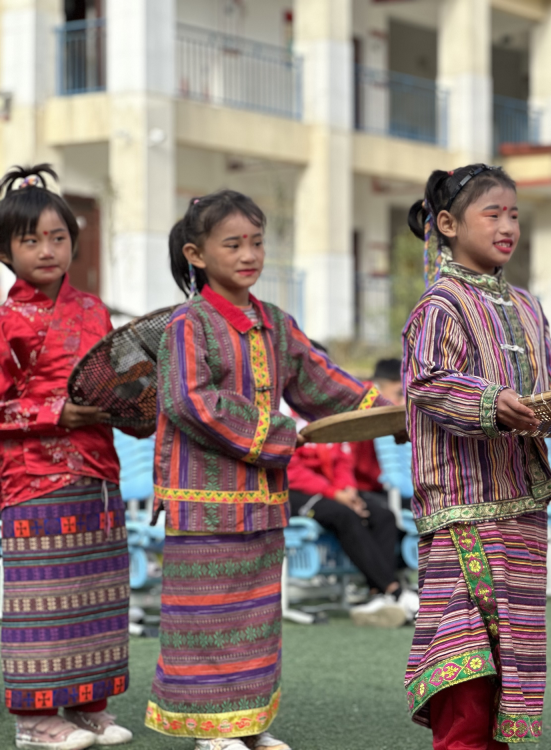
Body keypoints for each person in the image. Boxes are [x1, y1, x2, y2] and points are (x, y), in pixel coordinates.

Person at [147, 190, 392, 750]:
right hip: (204, 502)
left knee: (255, 617)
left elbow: (321, 382)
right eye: (232, 244)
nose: (248, 253)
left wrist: (380, 413)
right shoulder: (188, 325)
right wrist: (281, 434)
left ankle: (248, 724)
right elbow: (190, 401)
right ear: (197, 254)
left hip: (261, 499)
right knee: (208, 618)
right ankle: (211, 733)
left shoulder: (276, 323)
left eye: (256, 242)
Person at [402, 164, 551, 748]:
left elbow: (549, 382)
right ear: (447, 224)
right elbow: (429, 383)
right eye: (493, 213)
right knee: (464, 649)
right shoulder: (439, 305)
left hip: (522, 506)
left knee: (508, 648)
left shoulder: (528, 305)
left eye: (514, 214)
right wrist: (490, 400)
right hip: (463, 504)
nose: (508, 225)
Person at [0, 165, 140, 750]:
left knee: (97, 594)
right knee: (43, 595)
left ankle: (87, 707)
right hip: (33, 479)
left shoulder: (94, 309)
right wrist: (59, 413)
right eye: (30, 239)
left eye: (57, 237)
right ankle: (34, 722)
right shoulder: (5, 319)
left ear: (74, 243)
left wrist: (131, 398)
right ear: (6, 251)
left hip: (98, 472)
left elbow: (114, 383)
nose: (46, 249)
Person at [287, 423, 418, 627]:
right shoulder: (288, 416)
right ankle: (394, 590)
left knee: (383, 515)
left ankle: (377, 595)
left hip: (334, 491)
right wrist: (336, 495)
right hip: (295, 491)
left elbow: (344, 461)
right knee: (344, 515)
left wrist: (348, 492)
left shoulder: (332, 417)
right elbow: (293, 470)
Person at [350, 357, 407, 504]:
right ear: (378, 388)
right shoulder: (360, 410)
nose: (403, 403)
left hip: (378, 488)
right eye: (400, 394)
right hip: (358, 489)